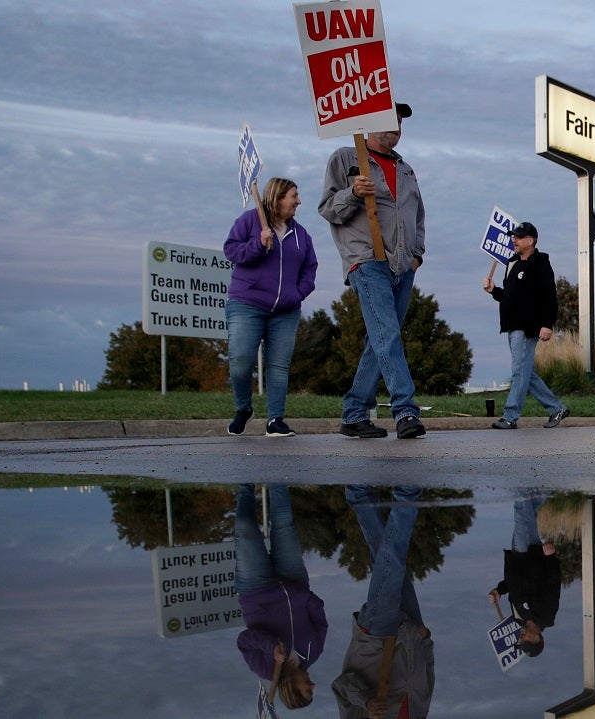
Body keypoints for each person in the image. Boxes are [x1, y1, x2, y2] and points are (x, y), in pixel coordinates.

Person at [319, 103, 427, 440]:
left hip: (402, 265)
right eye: (388, 118)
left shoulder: (406, 170)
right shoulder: (346, 159)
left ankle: (353, 413)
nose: (395, 126)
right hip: (366, 261)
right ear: (369, 122)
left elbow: (418, 217)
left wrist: (416, 256)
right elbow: (327, 209)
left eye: (399, 121)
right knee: (388, 336)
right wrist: (353, 193)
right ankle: (405, 411)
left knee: (380, 339)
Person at [223, 178, 318, 437]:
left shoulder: (301, 235)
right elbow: (231, 250)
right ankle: (244, 407)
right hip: (246, 304)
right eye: (294, 196)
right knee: (240, 361)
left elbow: (310, 267)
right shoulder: (249, 221)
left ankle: (275, 419)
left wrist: (297, 293)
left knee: (278, 366)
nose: (299, 201)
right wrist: (257, 245)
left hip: (285, 311)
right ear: (277, 199)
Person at [335, 486, 434, 718]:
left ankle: (407, 493)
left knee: (393, 562)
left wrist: (367, 701)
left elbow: (342, 686)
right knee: (385, 556)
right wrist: (426, 642)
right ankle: (360, 497)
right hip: (411, 635)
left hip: (377, 639)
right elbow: (425, 686)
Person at [234, 483, 328, 710]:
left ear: (292, 689)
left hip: (256, 589)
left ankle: (245, 483)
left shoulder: (263, 667)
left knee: (245, 529)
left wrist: (271, 647)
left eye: (307, 690)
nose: (313, 685)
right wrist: (305, 596)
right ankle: (277, 470)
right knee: (284, 524)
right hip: (293, 580)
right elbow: (320, 620)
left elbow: (244, 641)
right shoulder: (312, 653)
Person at [481, 222, 569, 430]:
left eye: (519, 237)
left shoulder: (540, 263)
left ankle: (510, 416)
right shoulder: (512, 263)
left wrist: (547, 324)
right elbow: (509, 297)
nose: (514, 240)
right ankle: (557, 408)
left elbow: (549, 296)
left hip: (528, 326)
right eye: (514, 237)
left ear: (531, 241)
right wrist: (494, 291)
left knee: (520, 371)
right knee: (526, 372)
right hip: (511, 326)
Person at [489, 493, 561, 657]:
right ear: (537, 638)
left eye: (520, 641)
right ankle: (523, 482)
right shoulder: (547, 614)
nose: (520, 638)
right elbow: (553, 583)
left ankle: (544, 487)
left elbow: (515, 585)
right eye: (525, 640)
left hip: (518, 557)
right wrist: (551, 558)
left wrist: (499, 590)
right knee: (521, 511)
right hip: (533, 555)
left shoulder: (518, 619)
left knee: (528, 513)